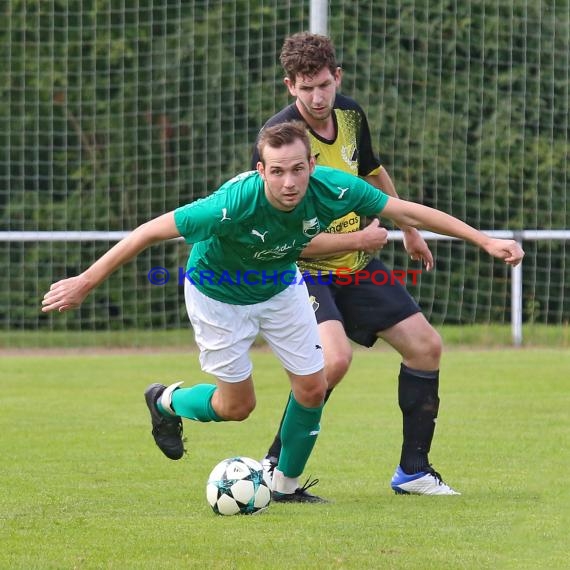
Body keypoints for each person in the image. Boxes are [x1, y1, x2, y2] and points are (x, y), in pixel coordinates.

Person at [42, 122, 523, 504]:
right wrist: (85, 282)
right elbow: (147, 232)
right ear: (260, 170)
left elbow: (409, 212)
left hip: (281, 287)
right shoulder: (231, 204)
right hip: (219, 294)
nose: (289, 182)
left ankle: (286, 486)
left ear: (311, 165)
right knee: (238, 408)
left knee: (313, 384)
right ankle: (166, 401)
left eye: (297, 169)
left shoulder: (333, 188)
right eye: (277, 171)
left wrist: (483, 240)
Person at [251, 32, 481, 495]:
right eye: (305, 87)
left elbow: (372, 171)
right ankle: (276, 466)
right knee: (333, 360)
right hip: (302, 274)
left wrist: (408, 228)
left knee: (425, 346)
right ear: (289, 86)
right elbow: (285, 243)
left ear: (336, 78)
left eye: (323, 85)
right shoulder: (279, 142)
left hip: (355, 265)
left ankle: (413, 471)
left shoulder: (351, 116)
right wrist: (364, 235)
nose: (316, 97)